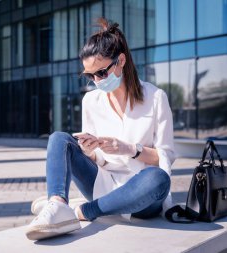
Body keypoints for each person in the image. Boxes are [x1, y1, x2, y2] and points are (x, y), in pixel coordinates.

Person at [25, 18, 175, 241]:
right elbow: (97, 160)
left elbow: (165, 158)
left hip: (141, 196)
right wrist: (90, 151)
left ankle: (83, 211)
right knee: (59, 139)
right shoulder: (91, 101)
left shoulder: (156, 98)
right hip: (102, 184)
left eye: (102, 72)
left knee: (158, 178)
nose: (96, 80)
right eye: (89, 75)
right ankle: (57, 206)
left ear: (121, 60)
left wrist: (129, 148)